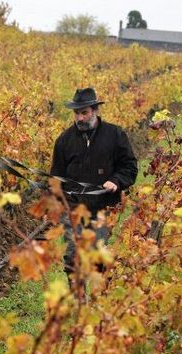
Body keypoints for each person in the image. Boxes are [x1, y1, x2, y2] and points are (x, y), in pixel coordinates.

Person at [50, 87, 138, 275]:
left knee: (99, 260)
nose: (80, 118)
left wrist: (116, 180)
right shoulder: (64, 141)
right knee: (73, 259)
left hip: (103, 208)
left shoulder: (115, 135)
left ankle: (99, 300)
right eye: (77, 113)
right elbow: (56, 177)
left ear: (95, 111)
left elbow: (130, 167)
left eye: (84, 113)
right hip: (74, 208)